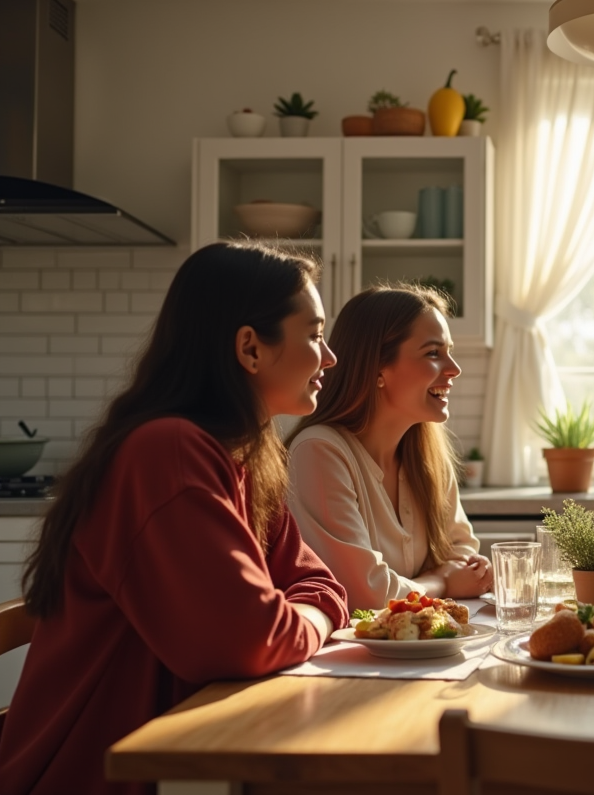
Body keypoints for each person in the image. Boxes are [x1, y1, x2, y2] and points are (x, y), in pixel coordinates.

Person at [0, 243, 348, 795]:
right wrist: (316, 618)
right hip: (100, 775)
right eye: (314, 333)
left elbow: (319, 583)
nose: (328, 357)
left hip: (186, 762)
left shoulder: (245, 455)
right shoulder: (167, 453)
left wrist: (305, 610)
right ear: (250, 348)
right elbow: (249, 640)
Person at [286, 284, 491, 611]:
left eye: (449, 351)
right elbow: (363, 592)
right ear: (378, 367)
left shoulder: (428, 455)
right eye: (433, 353)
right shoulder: (318, 452)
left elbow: (462, 552)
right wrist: (441, 582)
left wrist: (453, 576)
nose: (454, 369)